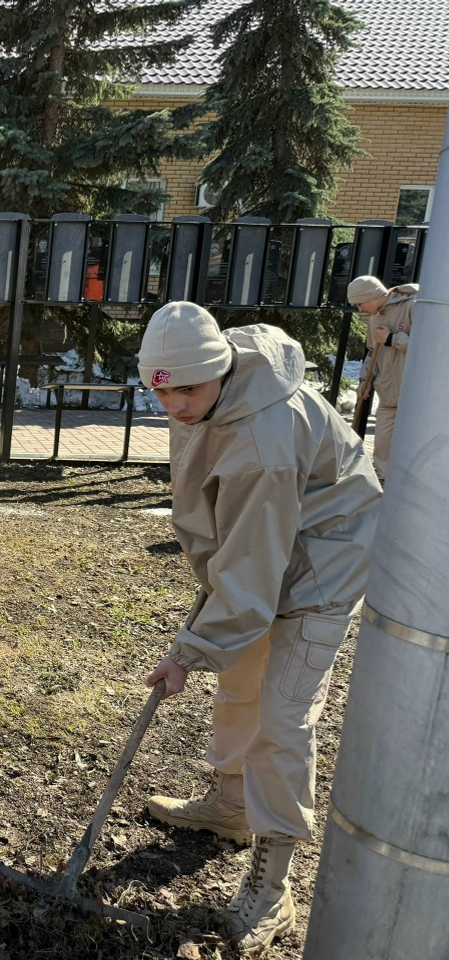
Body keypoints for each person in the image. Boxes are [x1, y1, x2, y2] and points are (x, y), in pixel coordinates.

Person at [137, 303, 382, 955]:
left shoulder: (265, 439)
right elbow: (227, 532)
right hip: (269, 541)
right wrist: (214, 603)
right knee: (242, 678)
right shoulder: (202, 393)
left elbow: (254, 561)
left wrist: (189, 650)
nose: (175, 406)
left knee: (281, 718)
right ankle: (231, 806)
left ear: (218, 370)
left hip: (324, 559)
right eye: (162, 390)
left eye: (186, 390)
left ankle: (273, 885)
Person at [347, 275, 417, 482]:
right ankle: (382, 490)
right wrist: (365, 380)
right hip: (387, 395)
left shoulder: (412, 307)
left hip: (414, 396)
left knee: (413, 448)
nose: (359, 309)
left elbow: (431, 348)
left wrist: (391, 339)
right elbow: (372, 353)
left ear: (372, 295)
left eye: (360, 303)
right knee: (382, 450)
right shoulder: (375, 317)